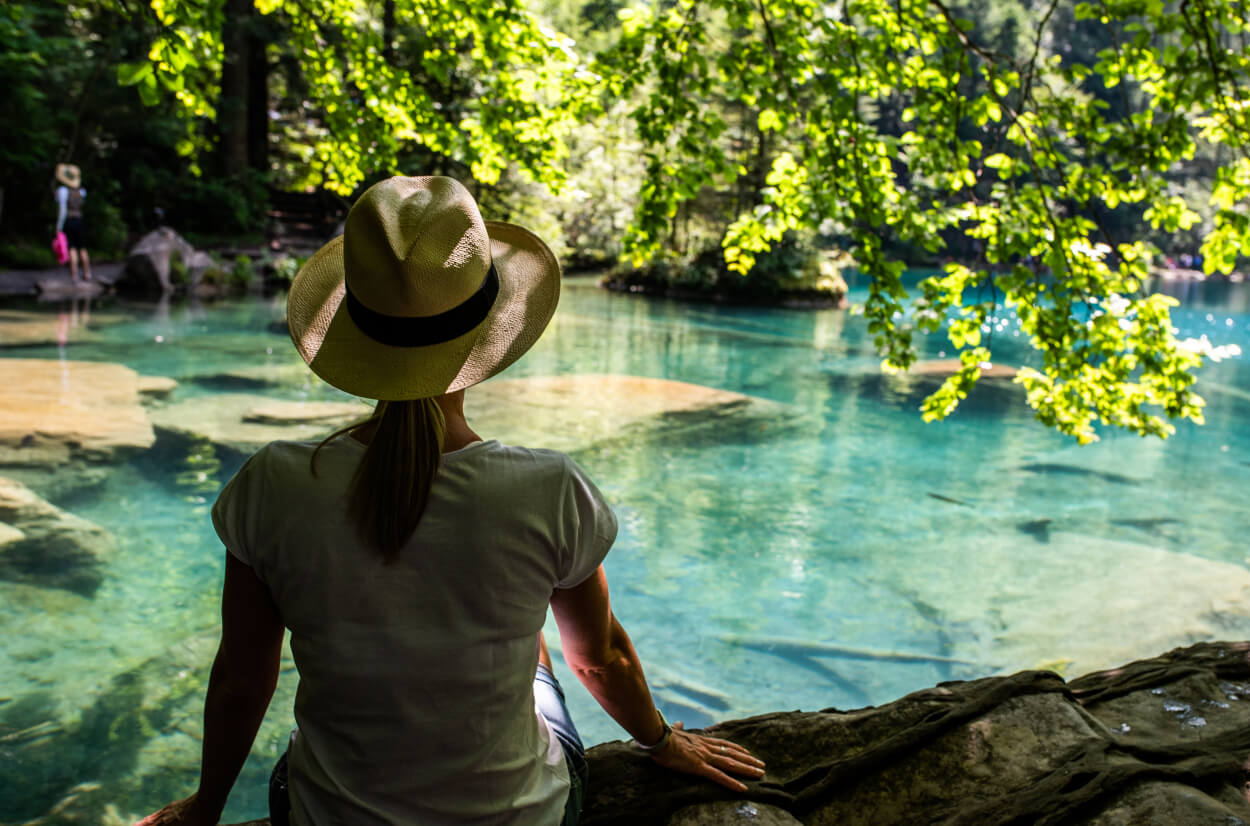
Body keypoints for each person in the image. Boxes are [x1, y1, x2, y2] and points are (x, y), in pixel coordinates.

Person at [136, 176, 764, 826]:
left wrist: (203, 807)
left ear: (359, 332)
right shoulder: (548, 489)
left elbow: (242, 679)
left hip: (329, 814)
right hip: (520, 816)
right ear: (485, 332)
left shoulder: (272, 485)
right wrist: (663, 741)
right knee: (540, 649)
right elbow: (601, 660)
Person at [54, 163, 91, 284]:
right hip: (80, 220)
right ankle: (87, 273)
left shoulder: (63, 191)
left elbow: (63, 209)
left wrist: (59, 226)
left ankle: (74, 275)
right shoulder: (82, 191)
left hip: (69, 221)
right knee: (82, 248)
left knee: (72, 248)